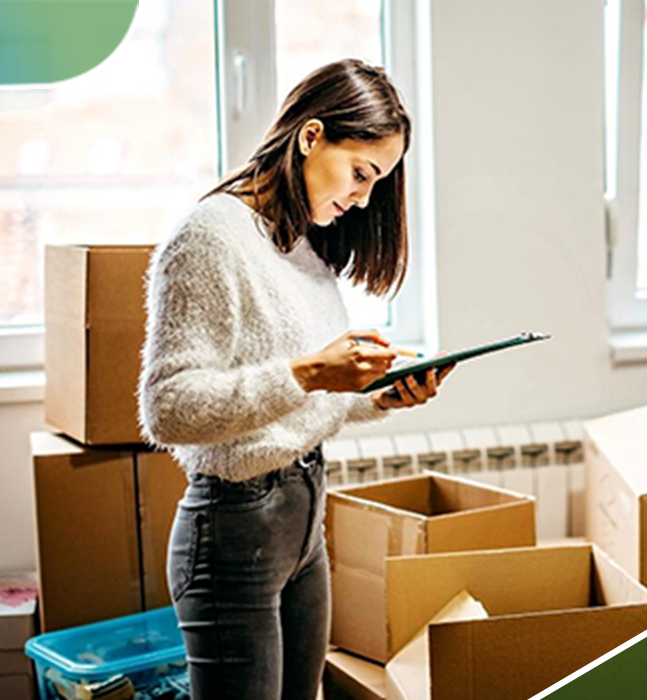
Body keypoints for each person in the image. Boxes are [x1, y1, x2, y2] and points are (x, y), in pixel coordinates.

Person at [137, 58, 452, 700]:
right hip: (234, 529)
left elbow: (299, 400)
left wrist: (377, 394)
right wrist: (310, 371)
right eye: (361, 172)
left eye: (379, 181)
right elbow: (166, 408)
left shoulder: (300, 246)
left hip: (303, 516)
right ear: (311, 137)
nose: (364, 197)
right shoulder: (210, 237)